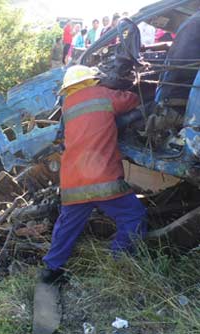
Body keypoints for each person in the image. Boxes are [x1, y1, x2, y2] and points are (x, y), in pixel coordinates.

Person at [41, 65, 147, 283]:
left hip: (73, 181)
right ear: (93, 81)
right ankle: (118, 261)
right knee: (133, 216)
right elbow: (133, 100)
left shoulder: (67, 105)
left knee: (67, 227)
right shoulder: (103, 95)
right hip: (103, 179)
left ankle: (50, 270)